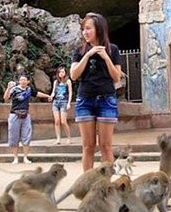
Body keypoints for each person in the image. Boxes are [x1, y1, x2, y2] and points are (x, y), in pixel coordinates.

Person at [71, 12, 122, 171]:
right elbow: (73, 75)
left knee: (106, 146)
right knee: (88, 146)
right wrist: (88, 55)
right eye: (83, 29)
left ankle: (108, 185)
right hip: (85, 100)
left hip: (106, 100)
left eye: (88, 28)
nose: (85, 32)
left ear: (98, 29)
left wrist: (106, 57)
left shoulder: (112, 49)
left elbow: (116, 77)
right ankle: (88, 185)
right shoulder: (79, 51)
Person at [3, 74, 51, 164]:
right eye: (21, 80)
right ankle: (15, 158)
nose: (23, 81)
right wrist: (8, 88)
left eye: (25, 80)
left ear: (28, 81)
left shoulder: (29, 89)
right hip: (14, 114)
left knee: (26, 136)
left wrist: (47, 96)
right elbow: (6, 98)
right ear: (19, 81)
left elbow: (37, 94)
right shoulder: (15, 89)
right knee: (14, 136)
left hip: (25, 114)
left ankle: (25, 157)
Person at [49, 66, 73, 145]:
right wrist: (51, 96)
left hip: (64, 102)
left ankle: (69, 138)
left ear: (65, 73)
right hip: (56, 102)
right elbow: (53, 91)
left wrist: (69, 103)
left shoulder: (68, 81)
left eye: (63, 72)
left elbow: (70, 92)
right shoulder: (56, 82)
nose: (61, 73)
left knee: (63, 121)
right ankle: (58, 139)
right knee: (57, 121)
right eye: (60, 72)